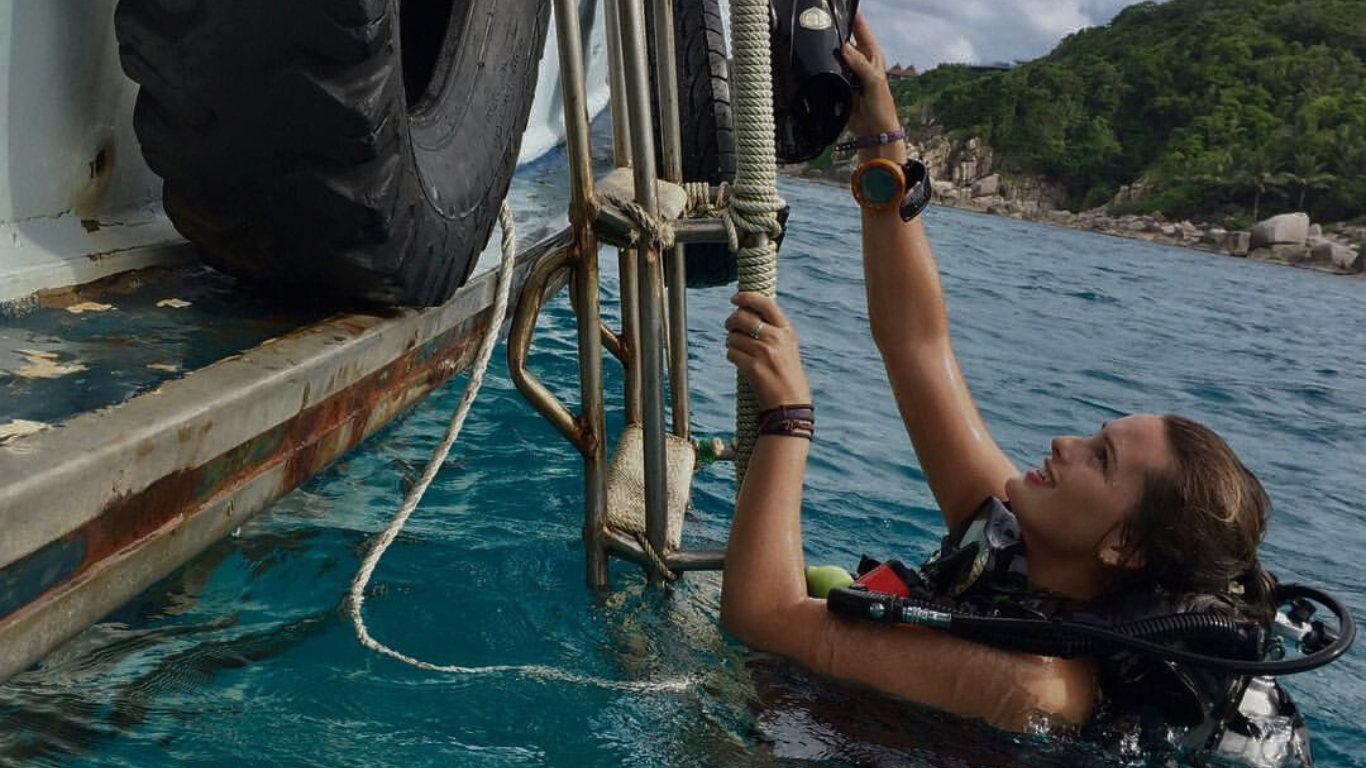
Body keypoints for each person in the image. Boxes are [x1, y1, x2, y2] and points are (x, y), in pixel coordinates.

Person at [718, 10, 1294, 750]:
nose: (1065, 442)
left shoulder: (1036, 685)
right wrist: (880, 138)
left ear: (1126, 548)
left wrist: (788, 420)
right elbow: (918, 345)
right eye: (1097, 437)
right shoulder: (1040, 555)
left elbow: (759, 621)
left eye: (1102, 459)